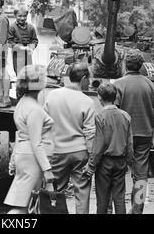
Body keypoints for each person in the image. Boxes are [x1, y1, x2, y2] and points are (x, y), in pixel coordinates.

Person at [43, 62, 96, 214]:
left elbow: (44, 124)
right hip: (80, 152)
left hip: (57, 151)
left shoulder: (52, 95)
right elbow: (90, 133)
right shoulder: (87, 101)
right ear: (84, 78)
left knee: (54, 191)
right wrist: (92, 159)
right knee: (83, 192)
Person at [114, 50, 154, 214]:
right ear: (141, 66)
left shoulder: (118, 84)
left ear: (125, 64)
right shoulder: (150, 85)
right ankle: (137, 210)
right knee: (141, 176)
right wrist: (153, 135)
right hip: (144, 135)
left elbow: (114, 112)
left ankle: (120, 209)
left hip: (122, 137)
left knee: (118, 175)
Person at [4, 65, 54, 214]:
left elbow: (20, 135)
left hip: (24, 155)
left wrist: (13, 160)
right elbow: (36, 142)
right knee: (23, 206)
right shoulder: (34, 109)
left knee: (26, 205)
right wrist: (47, 170)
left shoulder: (22, 104)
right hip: (33, 159)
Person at [82, 83, 133, 214]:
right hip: (120, 161)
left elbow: (98, 145)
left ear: (99, 97)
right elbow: (130, 143)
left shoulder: (100, 117)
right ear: (115, 97)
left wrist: (91, 166)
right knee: (120, 198)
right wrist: (129, 162)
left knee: (103, 199)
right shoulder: (125, 116)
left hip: (104, 163)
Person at [7, 5, 39, 76]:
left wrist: (31, 48)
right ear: (15, 15)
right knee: (19, 73)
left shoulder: (31, 27)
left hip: (28, 54)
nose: (22, 18)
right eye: (20, 16)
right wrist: (19, 47)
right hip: (17, 55)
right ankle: (20, 85)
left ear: (27, 15)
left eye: (24, 16)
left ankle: (27, 86)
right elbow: (9, 41)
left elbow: (34, 40)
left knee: (29, 72)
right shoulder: (12, 28)